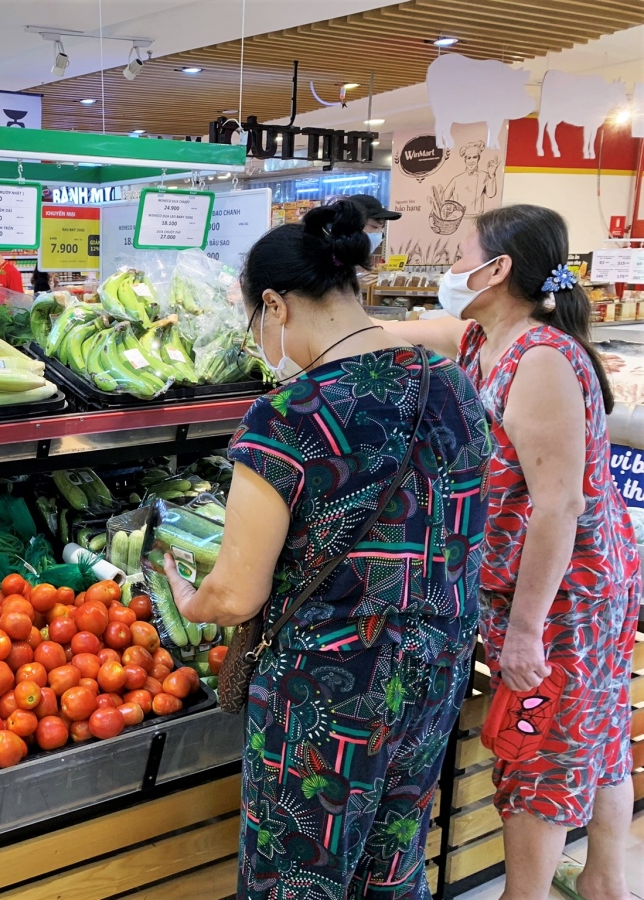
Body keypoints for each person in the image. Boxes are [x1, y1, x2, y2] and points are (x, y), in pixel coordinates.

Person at [164, 200, 492, 900]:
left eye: (256, 321)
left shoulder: (289, 416)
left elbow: (239, 593)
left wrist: (192, 597)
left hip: (329, 689)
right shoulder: (454, 386)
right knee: (392, 863)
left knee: (298, 874)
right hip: (435, 668)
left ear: (276, 306)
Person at [375, 204, 638, 900]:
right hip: (572, 579)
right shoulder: (483, 338)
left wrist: (524, 633)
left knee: (541, 753)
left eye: (462, 252)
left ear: (496, 269)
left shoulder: (543, 357)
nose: (449, 266)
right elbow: (401, 330)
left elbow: (560, 505)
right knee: (599, 718)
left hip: (562, 593)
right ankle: (608, 880)